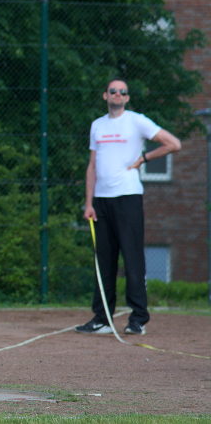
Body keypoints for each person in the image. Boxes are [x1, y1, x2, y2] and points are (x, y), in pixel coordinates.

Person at [77, 78, 181, 336]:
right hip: (101, 201)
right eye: (113, 91)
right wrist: (89, 202)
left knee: (133, 258)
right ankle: (102, 318)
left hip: (128, 197)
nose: (118, 94)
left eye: (123, 92)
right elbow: (92, 165)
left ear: (127, 98)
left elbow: (173, 144)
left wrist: (143, 159)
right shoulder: (97, 126)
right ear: (105, 96)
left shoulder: (137, 121)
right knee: (104, 261)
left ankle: (137, 319)